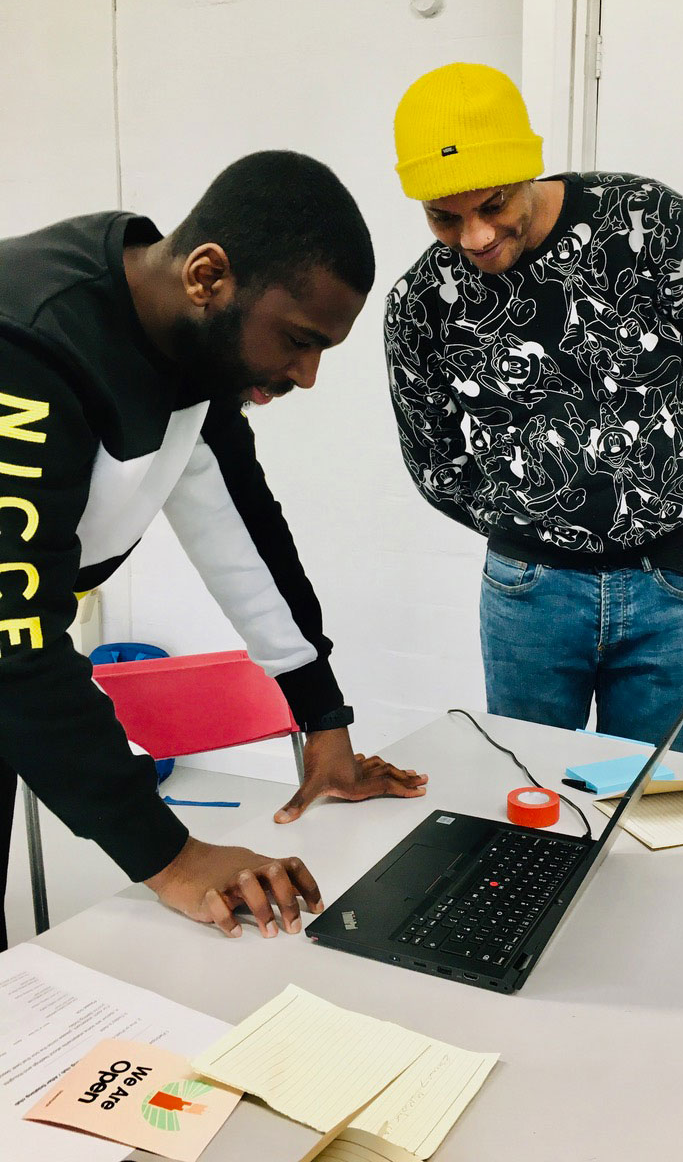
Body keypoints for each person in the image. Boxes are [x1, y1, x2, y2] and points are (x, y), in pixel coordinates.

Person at [0, 149, 427, 952]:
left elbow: (246, 536)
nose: (306, 375)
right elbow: (11, 646)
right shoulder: (25, 343)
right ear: (208, 276)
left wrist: (324, 722)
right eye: (300, 340)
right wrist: (173, 857)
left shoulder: (185, 346)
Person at [386, 63, 683, 755]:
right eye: (445, 216)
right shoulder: (420, 303)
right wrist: (529, 522)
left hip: (667, 592)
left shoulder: (650, 222)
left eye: (493, 205)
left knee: (645, 809)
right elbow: (435, 461)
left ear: (527, 169)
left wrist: (678, 508)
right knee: (533, 808)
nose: (474, 237)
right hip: (529, 599)